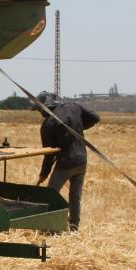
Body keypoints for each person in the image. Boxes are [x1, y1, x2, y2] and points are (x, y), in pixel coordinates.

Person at [34, 93, 100, 231]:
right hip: (81, 161)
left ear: (43, 107)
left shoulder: (48, 124)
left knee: (50, 195)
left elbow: (49, 154)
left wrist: (43, 174)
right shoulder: (74, 106)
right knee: (75, 196)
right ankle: (74, 227)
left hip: (65, 163)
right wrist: (78, 127)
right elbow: (95, 117)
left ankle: (51, 228)